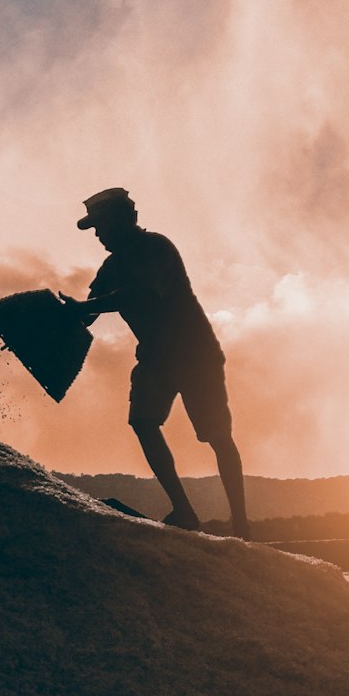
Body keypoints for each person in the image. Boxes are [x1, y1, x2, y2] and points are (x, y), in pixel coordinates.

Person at [60, 187, 251, 540]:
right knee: (143, 422)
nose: (98, 235)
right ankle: (185, 511)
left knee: (217, 436)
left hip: (195, 356)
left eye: (101, 227)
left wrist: (84, 308)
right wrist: (54, 321)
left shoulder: (156, 247)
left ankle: (241, 523)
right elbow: (88, 311)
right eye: (95, 230)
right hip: (155, 359)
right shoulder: (111, 266)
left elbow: (142, 291)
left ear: (123, 220)